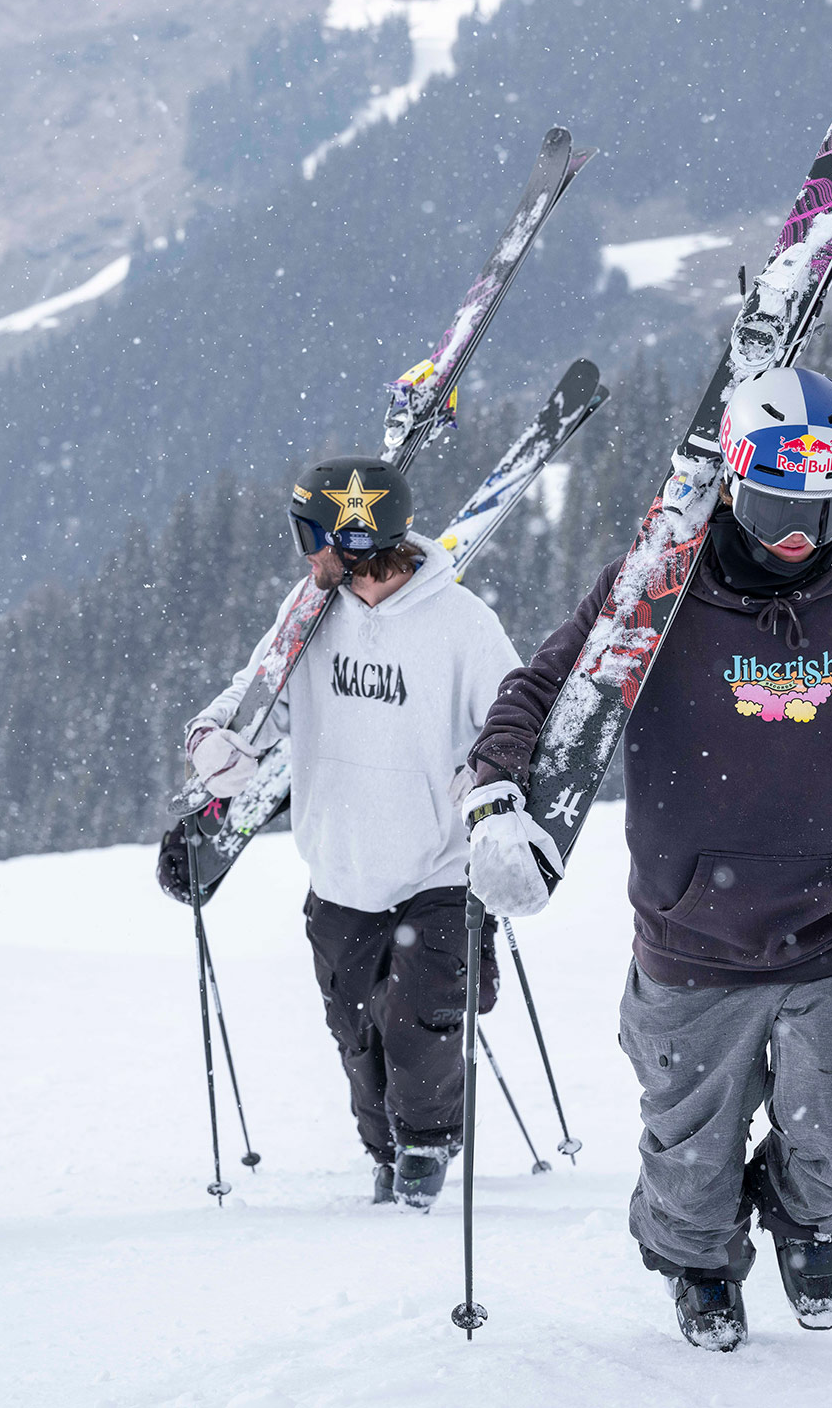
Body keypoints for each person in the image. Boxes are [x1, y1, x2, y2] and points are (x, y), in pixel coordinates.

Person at [461, 367, 832, 1348]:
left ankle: (805, 1222)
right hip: (693, 931)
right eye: (777, 507)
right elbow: (542, 689)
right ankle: (696, 1262)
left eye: (821, 510)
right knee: (688, 1158)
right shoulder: (654, 588)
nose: (796, 537)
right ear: (731, 482)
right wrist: (494, 800)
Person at [178, 456, 520, 1209]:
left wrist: (488, 783)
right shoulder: (310, 610)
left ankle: (428, 1143)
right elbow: (259, 692)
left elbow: (510, 721)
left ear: (356, 538)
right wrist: (217, 738)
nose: (305, 550)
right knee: (357, 1037)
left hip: (436, 867)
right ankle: (386, 1148)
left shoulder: (462, 626)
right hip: (340, 868)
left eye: (313, 534)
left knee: (419, 1023)